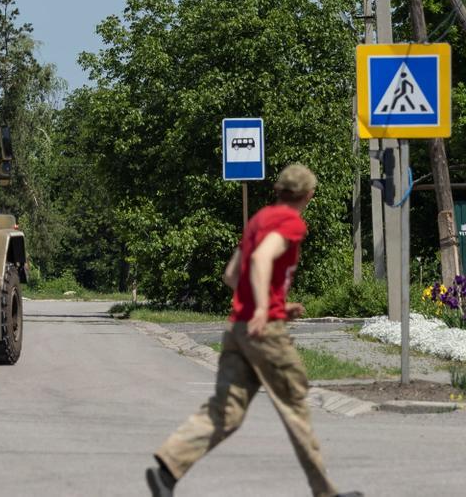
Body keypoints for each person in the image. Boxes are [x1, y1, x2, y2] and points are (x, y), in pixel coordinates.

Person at [145, 164, 361, 497]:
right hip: (264, 334)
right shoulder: (290, 222)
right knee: (295, 406)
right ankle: (325, 493)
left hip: (238, 328)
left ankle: (168, 469)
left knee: (226, 410)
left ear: (278, 190)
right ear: (308, 195)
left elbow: (232, 274)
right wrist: (265, 309)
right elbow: (261, 260)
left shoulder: (257, 221)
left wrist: (270, 302)